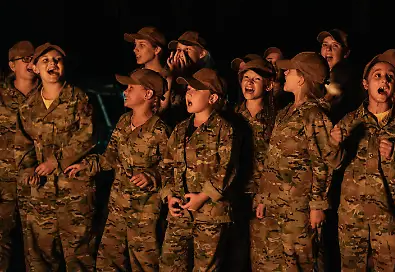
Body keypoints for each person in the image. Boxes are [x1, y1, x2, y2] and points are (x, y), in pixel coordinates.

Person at [65, 68, 170, 271]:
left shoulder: (160, 130)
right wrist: (86, 164)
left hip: (145, 213)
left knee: (145, 265)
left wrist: (152, 175)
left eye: (131, 88)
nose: (125, 92)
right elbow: (110, 157)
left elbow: (171, 166)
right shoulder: (123, 121)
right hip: (117, 208)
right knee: (107, 263)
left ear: (148, 94)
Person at [330, 54, 395, 271]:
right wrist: (334, 144)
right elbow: (333, 164)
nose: (384, 81)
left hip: (389, 218)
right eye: (377, 76)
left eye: (390, 77)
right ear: (365, 84)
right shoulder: (350, 121)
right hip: (352, 218)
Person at [15, 43, 96, 271]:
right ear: (35, 68)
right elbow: (23, 144)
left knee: (79, 257)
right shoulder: (28, 106)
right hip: (40, 194)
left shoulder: (80, 98)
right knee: (41, 257)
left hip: (74, 191)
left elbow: (88, 136)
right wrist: (28, 170)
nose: (52, 64)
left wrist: (56, 161)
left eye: (57, 60)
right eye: (45, 60)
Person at [255, 52, 336, 271]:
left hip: (299, 209)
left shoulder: (315, 115)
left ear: (301, 79)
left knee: (298, 264)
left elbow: (323, 163)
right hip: (275, 205)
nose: (285, 73)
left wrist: (317, 205)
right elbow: (273, 159)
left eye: (290, 70)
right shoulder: (285, 113)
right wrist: (263, 197)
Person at [160, 68, 235, 271]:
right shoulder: (180, 129)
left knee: (205, 269)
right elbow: (166, 165)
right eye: (188, 89)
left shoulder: (224, 129)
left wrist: (203, 196)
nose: (189, 94)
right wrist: (169, 196)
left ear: (212, 98)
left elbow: (227, 169)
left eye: (195, 90)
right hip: (179, 214)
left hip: (210, 215)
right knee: (169, 265)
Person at [228, 56, 277, 270]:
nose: (249, 83)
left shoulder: (278, 118)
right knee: (236, 256)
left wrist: (265, 195)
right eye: (246, 78)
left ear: (268, 85)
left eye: (256, 79)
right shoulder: (231, 115)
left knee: (263, 256)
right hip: (236, 193)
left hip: (265, 195)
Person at [0, 41, 38, 271]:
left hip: (36, 180)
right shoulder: (1, 95)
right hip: (3, 181)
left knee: (37, 245)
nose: (30, 64)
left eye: (33, 59)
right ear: (12, 66)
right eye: (25, 59)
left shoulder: (49, 94)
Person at [317, 29, 360, 123]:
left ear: (346, 53)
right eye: (325, 45)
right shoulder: (313, 75)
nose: (328, 49)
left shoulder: (348, 78)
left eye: (335, 45)